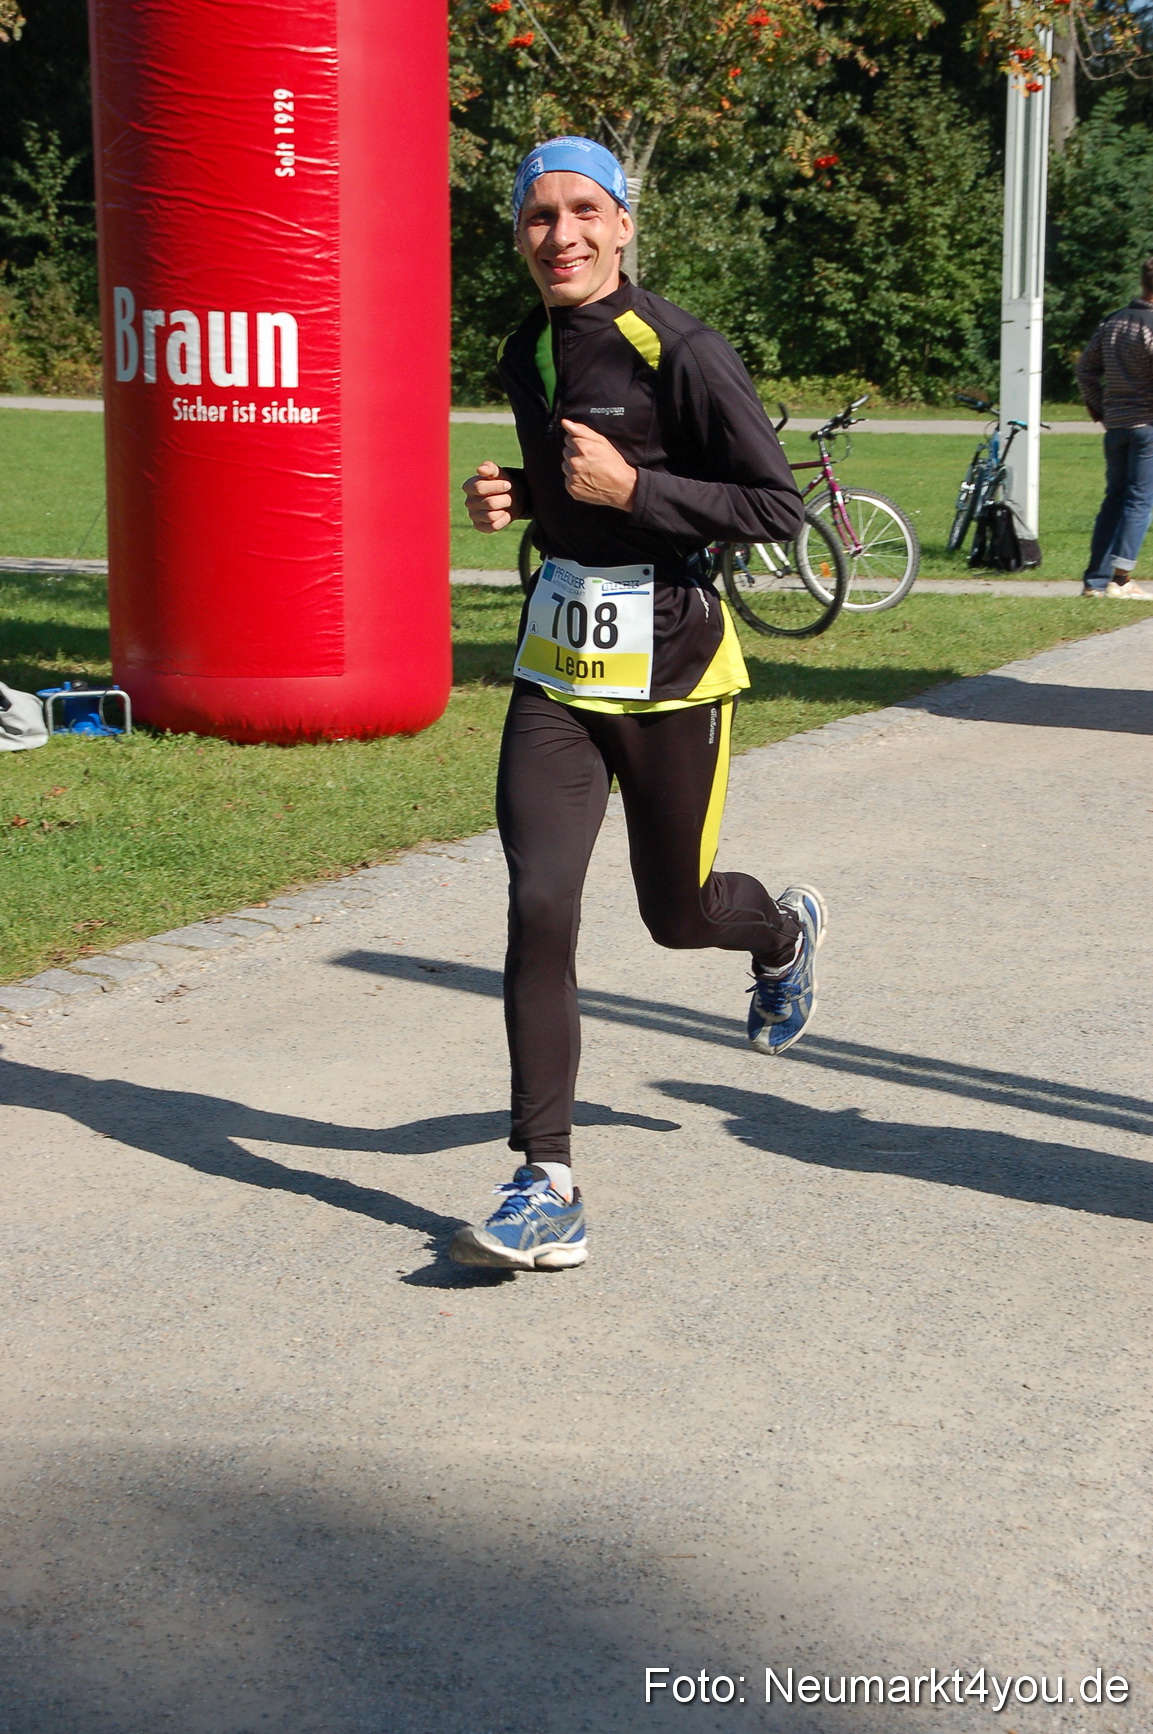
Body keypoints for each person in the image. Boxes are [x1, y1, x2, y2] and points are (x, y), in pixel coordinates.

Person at [451, 135, 824, 1272]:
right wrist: (516, 497)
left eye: (580, 212)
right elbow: (568, 485)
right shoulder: (523, 345)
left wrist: (640, 489)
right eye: (535, 217)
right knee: (540, 901)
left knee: (677, 913)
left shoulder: (682, 347)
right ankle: (544, 1177)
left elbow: (775, 509)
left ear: (622, 225)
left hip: (669, 672)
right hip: (558, 671)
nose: (557, 236)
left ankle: (780, 934)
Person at [1076, 258, 1153, 598]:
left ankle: (1095, 581)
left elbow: (1085, 368)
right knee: (1140, 500)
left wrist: (1098, 405)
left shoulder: (1113, 321)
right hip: (1147, 425)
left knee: (1114, 500)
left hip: (1116, 423)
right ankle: (1121, 579)